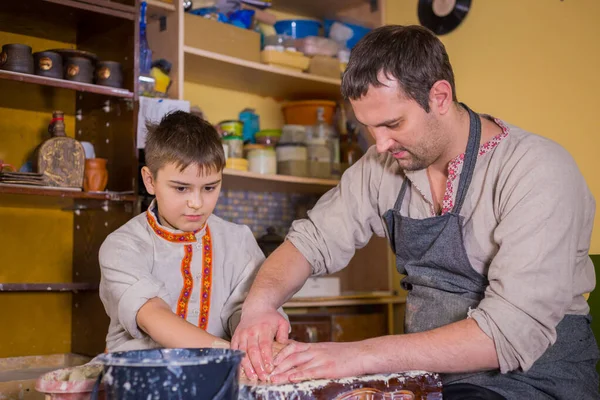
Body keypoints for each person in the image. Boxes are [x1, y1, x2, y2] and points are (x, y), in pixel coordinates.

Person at [231, 25, 600, 399]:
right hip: (429, 378)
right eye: (369, 128)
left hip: (535, 380)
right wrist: (260, 305)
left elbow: (510, 332)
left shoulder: (538, 169)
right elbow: (311, 242)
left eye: (393, 124)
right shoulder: (384, 164)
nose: (380, 143)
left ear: (440, 96)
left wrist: (355, 356)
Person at [98, 111, 285, 353]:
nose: (196, 202)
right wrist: (231, 357)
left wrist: (260, 339)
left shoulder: (238, 241)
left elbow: (250, 312)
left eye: (209, 187)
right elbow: (154, 316)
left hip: (224, 379)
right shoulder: (122, 245)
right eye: (181, 188)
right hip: (142, 381)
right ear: (149, 180)